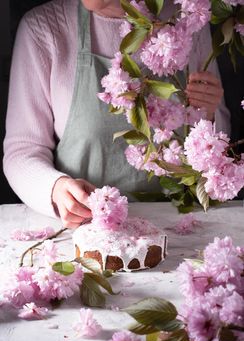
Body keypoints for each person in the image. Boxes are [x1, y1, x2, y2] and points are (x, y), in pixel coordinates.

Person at [3, 0, 230, 228]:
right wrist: (55, 188)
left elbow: (218, 153)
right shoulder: (44, 29)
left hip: (177, 228)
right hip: (84, 232)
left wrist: (209, 114)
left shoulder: (188, 20)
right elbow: (22, 150)